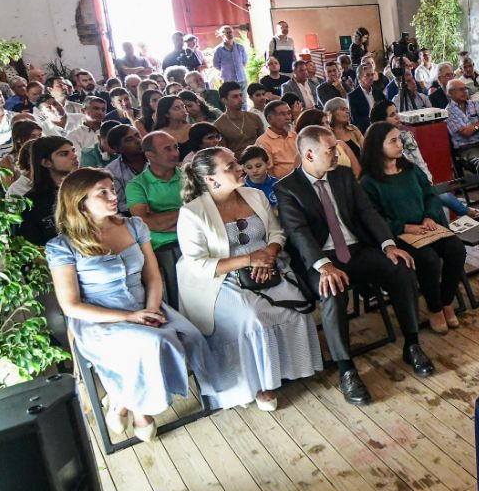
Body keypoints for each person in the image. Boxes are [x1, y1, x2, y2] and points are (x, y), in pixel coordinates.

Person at [46, 169, 216, 443]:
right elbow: (71, 306)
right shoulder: (62, 246)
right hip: (99, 320)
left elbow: (152, 275)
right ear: (80, 201)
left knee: (190, 335)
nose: (114, 196)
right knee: (151, 343)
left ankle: (120, 400)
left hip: (144, 304)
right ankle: (139, 410)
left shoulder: (134, 225)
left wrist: (151, 309)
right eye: (103, 192)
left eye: (113, 188)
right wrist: (130, 316)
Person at [274, 124, 435, 406]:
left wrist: (389, 245)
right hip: (321, 259)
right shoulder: (287, 188)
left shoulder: (344, 175)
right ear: (309, 155)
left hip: (356, 249)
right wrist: (323, 266)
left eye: (336, 147)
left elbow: (367, 212)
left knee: (402, 268)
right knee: (332, 292)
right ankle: (347, 369)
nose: (338, 153)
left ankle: (412, 344)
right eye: (331, 149)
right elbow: (298, 232)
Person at [176, 149, 324, 412]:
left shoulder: (255, 196)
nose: (240, 169)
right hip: (222, 278)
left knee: (296, 305)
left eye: (236, 164)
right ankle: (261, 383)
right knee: (252, 316)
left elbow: (277, 233)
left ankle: (291, 367)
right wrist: (248, 261)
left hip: (268, 265)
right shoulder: (193, 213)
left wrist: (269, 253)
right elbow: (198, 264)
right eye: (230, 166)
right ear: (211, 179)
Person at [359, 122, 469, 334]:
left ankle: (446, 301)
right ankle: (434, 308)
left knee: (457, 250)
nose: (400, 144)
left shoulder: (411, 169)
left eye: (399, 139)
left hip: (426, 227)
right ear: (377, 146)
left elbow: (430, 195)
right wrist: (405, 227)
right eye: (393, 141)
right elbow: (374, 218)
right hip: (399, 235)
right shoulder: (369, 182)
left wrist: (429, 216)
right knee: (428, 260)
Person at [371, 100, 479, 221]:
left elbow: (421, 164)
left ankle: (462, 214)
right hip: (400, 189)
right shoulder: (378, 147)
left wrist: (427, 182)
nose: (398, 117)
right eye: (392, 115)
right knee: (439, 194)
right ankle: (465, 211)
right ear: (381, 121)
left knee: (435, 193)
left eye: (397, 112)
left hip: (419, 182)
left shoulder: (407, 136)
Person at [125, 131, 187, 306]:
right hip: (163, 249)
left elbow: (205, 212)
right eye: (167, 149)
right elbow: (146, 223)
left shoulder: (189, 176)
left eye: (175, 147)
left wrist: (162, 219)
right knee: (178, 301)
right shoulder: (137, 185)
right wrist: (188, 213)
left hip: (195, 240)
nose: (175, 153)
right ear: (150, 155)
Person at [16, 136, 78, 246]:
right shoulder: (30, 203)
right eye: (64, 154)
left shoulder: (84, 191)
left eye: (73, 151)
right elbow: (28, 248)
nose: (74, 156)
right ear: (46, 162)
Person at [444, 77, 479, 177]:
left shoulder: (473, 104)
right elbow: (466, 133)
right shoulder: (448, 111)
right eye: (461, 89)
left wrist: (473, 128)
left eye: (465, 89)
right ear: (450, 93)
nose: (465, 92)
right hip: (466, 148)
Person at [254, 100, 298, 179]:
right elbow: (268, 172)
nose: (288, 118)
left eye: (288, 113)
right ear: (270, 118)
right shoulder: (263, 142)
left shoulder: (295, 136)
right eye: (282, 114)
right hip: (282, 185)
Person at [103, 124, 146, 206]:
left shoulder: (157, 157)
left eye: (137, 135)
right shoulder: (111, 171)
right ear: (117, 149)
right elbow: (121, 204)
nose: (138, 141)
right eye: (129, 139)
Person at [324, 97, 367, 176]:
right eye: (343, 109)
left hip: (363, 171)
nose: (347, 112)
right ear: (331, 113)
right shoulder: (327, 135)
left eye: (347, 109)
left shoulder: (353, 129)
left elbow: (366, 150)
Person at [0, 118, 43, 192]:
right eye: (32, 136)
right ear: (18, 139)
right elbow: (10, 190)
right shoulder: (7, 162)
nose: (37, 139)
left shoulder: (46, 155)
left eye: (39, 136)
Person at [348, 59, 389, 131]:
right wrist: (372, 121)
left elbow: (385, 108)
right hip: (365, 130)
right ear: (359, 78)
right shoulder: (353, 96)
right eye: (367, 75)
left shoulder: (378, 92)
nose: (370, 77)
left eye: (372, 75)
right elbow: (355, 119)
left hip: (381, 127)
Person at [67, 96, 109, 160]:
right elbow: (79, 160)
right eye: (96, 108)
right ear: (83, 111)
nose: (100, 112)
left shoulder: (111, 131)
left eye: (103, 110)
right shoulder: (73, 136)